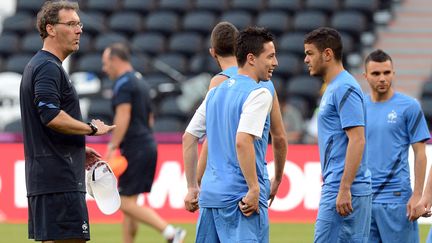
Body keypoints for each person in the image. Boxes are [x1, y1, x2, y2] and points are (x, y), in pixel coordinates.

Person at [19, 1, 115, 242]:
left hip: (50, 179)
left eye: (79, 24)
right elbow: (50, 116)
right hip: (58, 182)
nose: (79, 30)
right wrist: (91, 129)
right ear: (50, 29)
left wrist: (78, 147)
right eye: (71, 24)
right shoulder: (47, 68)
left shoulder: (42, 66)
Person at [183, 26, 283, 243]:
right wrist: (255, 188)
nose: (275, 63)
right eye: (271, 56)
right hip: (241, 201)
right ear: (251, 59)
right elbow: (243, 141)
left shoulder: (215, 92)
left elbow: (189, 137)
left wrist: (192, 186)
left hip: (210, 199)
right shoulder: (260, 92)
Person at [101, 43, 186, 243]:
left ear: (115, 60)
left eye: (106, 64)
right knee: (130, 203)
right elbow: (150, 119)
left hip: (135, 148)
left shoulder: (123, 84)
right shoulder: (140, 81)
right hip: (147, 144)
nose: (104, 69)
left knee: (122, 202)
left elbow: (123, 115)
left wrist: (113, 146)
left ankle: (171, 233)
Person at [196, 21, 287, 189]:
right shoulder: (266, 84)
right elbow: (279, 137)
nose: (275, 62)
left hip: (218, 184)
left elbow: (208, 136)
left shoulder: (218, 83)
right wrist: (278, 179)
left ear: (213, 52)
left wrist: (196, 181)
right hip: (250, 181)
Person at [303, 27, 372, 242]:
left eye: (310, 53)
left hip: (342, 187)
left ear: (328, 54)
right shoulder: (333, 87)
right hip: (338, 184)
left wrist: (344, 188)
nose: (306, 59)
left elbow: (357, 139)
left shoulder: (344, 88)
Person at [363, 49, 429, 242]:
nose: (382, 78)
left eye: (387, 72)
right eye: (376, 73)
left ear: (393, 73)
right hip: (364, 199)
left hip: (397, 199)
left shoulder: (409, 106)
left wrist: (417, 194)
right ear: (365, 76)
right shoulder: (358, 107)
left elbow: (420, 153)